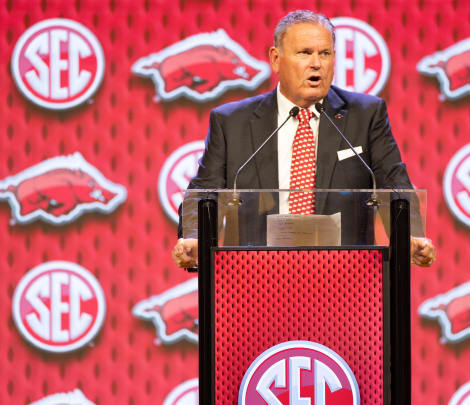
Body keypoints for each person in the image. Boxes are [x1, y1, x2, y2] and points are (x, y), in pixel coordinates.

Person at [172, 10, 436, 268]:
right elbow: (204, 192)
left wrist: (409, 235)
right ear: (276, 59)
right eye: (305, 53)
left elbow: (394, 183)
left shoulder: (366, 115)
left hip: (346, 279)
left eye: (325, 53)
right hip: (254, 277)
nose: (317, 64)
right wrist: (194, 237)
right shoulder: (232, 121)